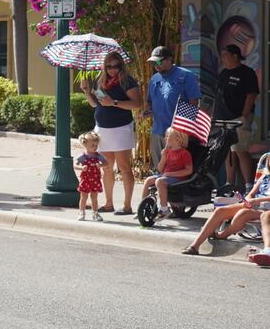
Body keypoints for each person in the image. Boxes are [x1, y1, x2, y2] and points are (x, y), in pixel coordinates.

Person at [80, 50, 142, 214]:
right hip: (102, 129)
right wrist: (87, 92)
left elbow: (136, 104)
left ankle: (127, 206)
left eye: (116, 66)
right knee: (106, 167)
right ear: (104, 66)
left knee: (124, 167)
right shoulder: (101, 80)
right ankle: (108, 203)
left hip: (121, 128)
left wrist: (113, 102)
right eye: (109, 66)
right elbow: (96, 104)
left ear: (121, 66)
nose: (112, 69)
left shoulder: (127, 81)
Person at [183, 154, 270, 255]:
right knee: (220, 211)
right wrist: (247, 200)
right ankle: (194, 246)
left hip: (266, 210)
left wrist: (257, 200)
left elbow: (256, 199)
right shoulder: (265, 177)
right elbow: (251, 194)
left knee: (242, 214)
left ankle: (222, 235)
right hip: (257, 206)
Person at [142, 46, 200, 167]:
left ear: (169, 59)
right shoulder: (154, 79)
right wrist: (147, 112)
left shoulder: (186, 76)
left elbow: (193, 103)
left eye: (158, 61)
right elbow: (149, 102)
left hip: (178, 133)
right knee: (160, 170)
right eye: (153, 62)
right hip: (157, 131)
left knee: (177, 171)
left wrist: (183, 132)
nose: (155, 65)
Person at [213, 44, 260, 190]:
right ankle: (229, 183)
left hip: (238, 118)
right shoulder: (223, 73)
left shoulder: (247, 73)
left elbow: (251, 94)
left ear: (235, 56)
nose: (222, 59)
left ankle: (248, 185)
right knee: (227, 150)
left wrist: (244, 115)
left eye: (225, 56)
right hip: (223, 119)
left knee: (240, 149)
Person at [140, 128, 192, 219]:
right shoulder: (167, 152)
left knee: (159, 182)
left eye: (169, 137)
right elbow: (160, 169)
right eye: (166, 137)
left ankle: (164, 209)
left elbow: (189, 170)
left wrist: (171, 174)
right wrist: (163, 158)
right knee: (148, 180)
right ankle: (143, 206)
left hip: (178, 177)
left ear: (178, 140)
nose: (166, 139)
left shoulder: (184, 153)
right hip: (166, 175)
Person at [75, 131, 106, 221]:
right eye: (92, 145)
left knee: (94, 197)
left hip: (95, 179)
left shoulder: (98, 156)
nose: (95, 147)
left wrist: (100, 165)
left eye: (96, 145)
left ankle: (95, 213)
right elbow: (75, 165)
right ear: (85, 145)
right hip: (86, 179)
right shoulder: (83, 156)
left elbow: (106, 163)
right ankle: (81, 212)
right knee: (83, 197)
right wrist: (81, 168)